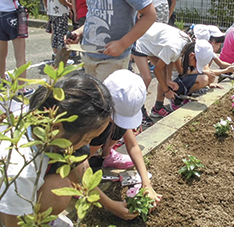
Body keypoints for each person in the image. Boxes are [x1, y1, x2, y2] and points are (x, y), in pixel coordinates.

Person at [0, 73, 142, 227]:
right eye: (87, 139)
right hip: (8, 209)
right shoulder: (20, 169)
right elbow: (12, 224)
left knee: (75, 166)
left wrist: (111, 205)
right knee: (59, 188)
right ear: (56, 128)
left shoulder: (46, 118)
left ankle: (43, 217)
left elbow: (82, 171)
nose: (87, 145)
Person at [88, 69, 162, 206]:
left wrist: (146, 183)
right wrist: (111, 205)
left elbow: (133, 145)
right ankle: (94, 157)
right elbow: (78, 165)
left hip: (97, 138)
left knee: (118, 127)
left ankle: (105, 155)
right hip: (75, 157)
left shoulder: (114, 109)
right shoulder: (91, 120)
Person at [65, 0, 156, 82]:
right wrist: (79, 32)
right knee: (94, 97)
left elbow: (150, 15)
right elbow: (93, 15)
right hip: (88, 55)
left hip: (112, 59)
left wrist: (122, 44)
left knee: (107, 98)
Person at [132, 22, 190, 124]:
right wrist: (166, 90)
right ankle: (138, 113)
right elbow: (156, 70)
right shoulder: (175, 48)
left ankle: (157, 108)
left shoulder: (187, 43)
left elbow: (170, 60)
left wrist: (168, 80)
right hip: (140, 41)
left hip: (153, 42)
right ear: (192, 55)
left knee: (163, 77)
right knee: (146, 78)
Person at [169, 39, 224, 111]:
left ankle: (184, 96)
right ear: (192, 55)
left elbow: (208, 71)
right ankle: (176, 99)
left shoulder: (195, 51)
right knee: (203, 78)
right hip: (174, 82)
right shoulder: (177, 53)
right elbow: (182, 72)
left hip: (182, 80)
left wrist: (210, 83)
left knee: (204, 78)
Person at [0, 0, 34, 96]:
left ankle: (3, 80)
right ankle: (21, 89)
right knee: (20, 55)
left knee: (1, 55)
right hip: (12, 14)